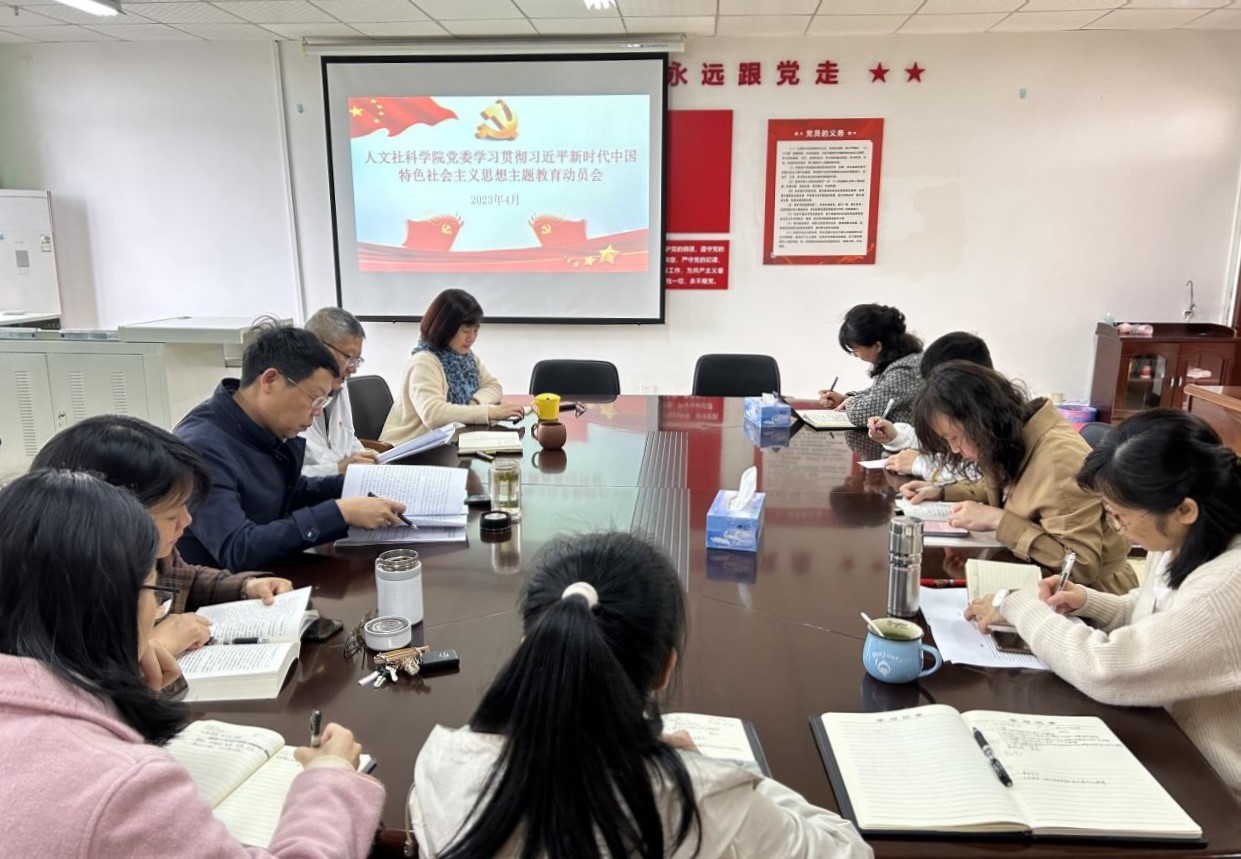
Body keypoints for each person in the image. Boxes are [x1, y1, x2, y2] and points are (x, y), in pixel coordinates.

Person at [409, 532, 871, 859]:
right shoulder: (701, 801)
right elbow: (848, 850)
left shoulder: (440, 766)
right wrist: (725, 776)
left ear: (533, 645)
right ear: (665, 670)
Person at [0, 469, 384, 855]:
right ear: (111, 603)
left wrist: (120, 698)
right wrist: (330, 779)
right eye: (152, 590)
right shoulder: (122, 786)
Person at [964, 410, 1241, 800]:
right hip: (1163, 738)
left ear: (1184, 509)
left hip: (1209, 787)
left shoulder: (1226, 586)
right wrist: (1088, 601)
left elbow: (1107, 668)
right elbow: (1157, 616)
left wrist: (1016, 604)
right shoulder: (1184, 539)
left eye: (1120, 517)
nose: (1119, 530)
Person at [31, 415, 294, 656]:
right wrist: (153, 649)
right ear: (109, 517)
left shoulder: (153, 554)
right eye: (171, 515)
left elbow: (186, 578)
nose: (186, 521)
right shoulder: (64, 591)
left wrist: (244, 587)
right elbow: (76, 677)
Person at [175, 322, 406, 571]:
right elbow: (238, 549)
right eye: (315, 399)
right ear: (270, 380)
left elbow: (287, 492)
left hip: (273, 574)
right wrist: (340, 513)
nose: (317, 412)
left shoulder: (263, 425)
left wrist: (360, 484)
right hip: (224, 588)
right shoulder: (202, 447)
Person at [902, 362, 1136, 593]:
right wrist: (942, 491)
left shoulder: (1058, 460)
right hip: (1031, 576)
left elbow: (1080, 567)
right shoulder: (1010, 439)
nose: (954, 449)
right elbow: (1011, 488)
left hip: (1088, 596)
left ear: (982, 421)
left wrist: (998, 521)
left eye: (954, 437)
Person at [380, 289, 524, 445]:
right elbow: (433, 414)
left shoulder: (465, 357)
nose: (471, 338)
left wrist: (474, 404)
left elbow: (493, 386)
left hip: (444, 443)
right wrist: (489, 412)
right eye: (465, 331)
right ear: (444, 328)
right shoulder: (424, 361)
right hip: (408, 449)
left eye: (476, 330)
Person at [867, 331, 992, 479]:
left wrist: (921, 464)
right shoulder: (967, 408)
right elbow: (938, 439)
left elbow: (980, 474)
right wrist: (895, 435)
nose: (932, 394)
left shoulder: (993, 422)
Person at [302, 307, 378, 477]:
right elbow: (284, 479)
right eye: (349, 358)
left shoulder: (339, 385)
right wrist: (337, 469)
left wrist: (366, 456)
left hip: (344, 482)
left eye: (357, 360)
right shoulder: (292, 394)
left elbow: (348, 438)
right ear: (319, 348)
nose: (353, 369)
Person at [819, 304, 923, 425]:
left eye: (855, 349)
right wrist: (845, 399)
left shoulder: (904, 371)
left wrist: (850, 402)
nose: (855, 355)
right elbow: (877, 392)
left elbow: (861, 414)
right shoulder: (899, 361)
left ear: (877, 346)